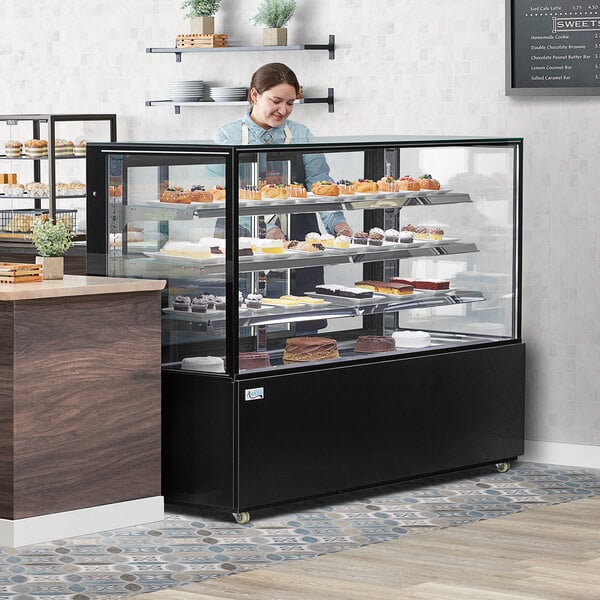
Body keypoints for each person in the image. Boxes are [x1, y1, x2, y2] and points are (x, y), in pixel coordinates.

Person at [212, 63, 353, 332]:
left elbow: (320, 184)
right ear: (255, 95)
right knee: (244, 322)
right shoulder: (226, 136)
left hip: (299, 236)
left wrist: (337, 224)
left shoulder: (301, 135)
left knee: (304, 322)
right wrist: (271, 226)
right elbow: (228, 192)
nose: (284, 110)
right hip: (243, 237)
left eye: (290, 103)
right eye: (276, 101)